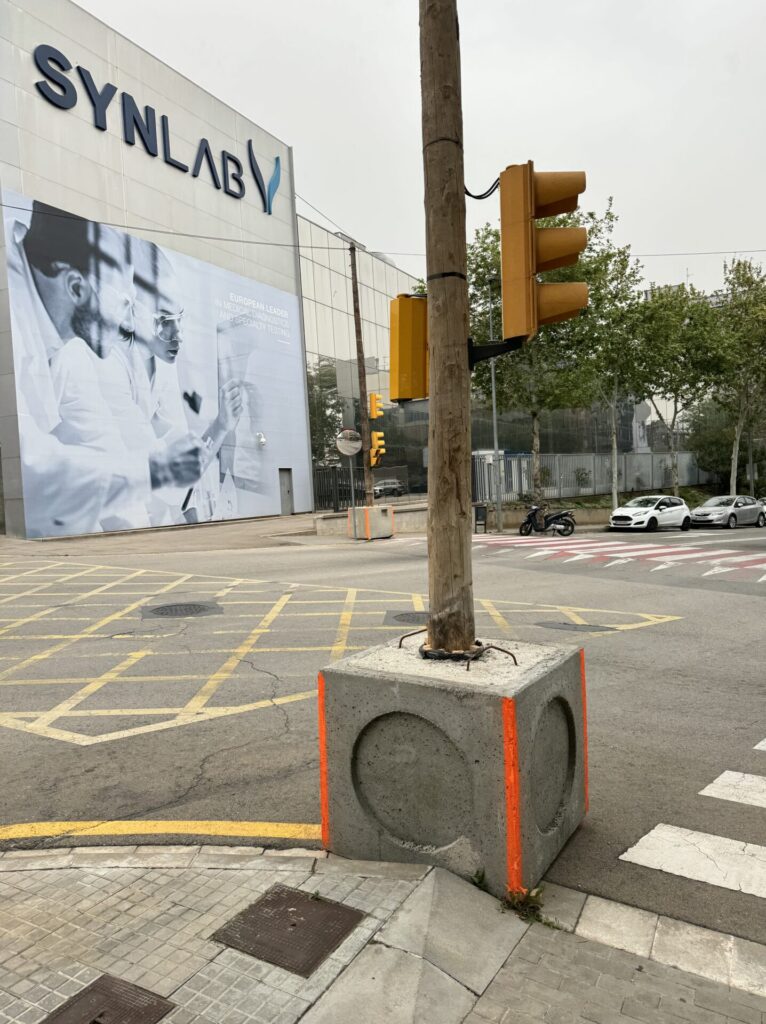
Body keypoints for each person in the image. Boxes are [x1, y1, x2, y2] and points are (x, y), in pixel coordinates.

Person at [7, 200, 204, 533]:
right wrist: (157, 471)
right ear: (76, 287)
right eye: (126, 302)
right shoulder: (15, 319)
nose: (129, 319)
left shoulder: (55, 333)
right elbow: (35, 472)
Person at [102, 239, 243, 524]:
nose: (178, 334)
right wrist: (220, 426)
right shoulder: (107, 368)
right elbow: (170, 472)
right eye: (164, 319)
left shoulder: (160, 361)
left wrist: (196, 527)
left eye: (179, 318)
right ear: (130, 311)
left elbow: (180, 449)